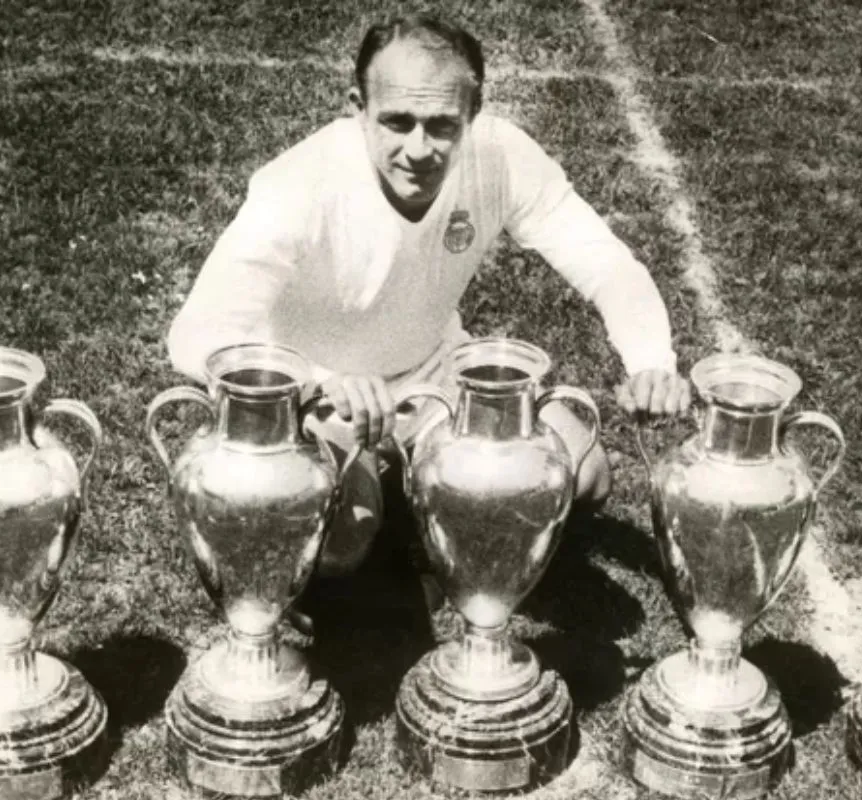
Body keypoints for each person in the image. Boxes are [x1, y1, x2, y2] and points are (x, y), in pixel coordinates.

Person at [166, 14, 691, 579]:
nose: (418, 149)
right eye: (397, 122)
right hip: (320, 398)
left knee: (584, 476)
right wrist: (319, 383)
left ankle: (413, 490)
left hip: (434, 374)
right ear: (358, 108)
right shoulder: (297, 185)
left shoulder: (502, 155)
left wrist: (651, 362)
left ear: (474, 111)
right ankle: (397, 496)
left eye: (442, 125)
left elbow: (604, 261)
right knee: (339, 547)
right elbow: (196, 335)